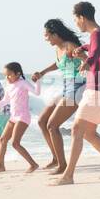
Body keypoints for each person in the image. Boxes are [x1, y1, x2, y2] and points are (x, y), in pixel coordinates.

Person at [51, 1, 100, 185]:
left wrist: (86, 61)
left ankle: (68, 176)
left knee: (77, 129)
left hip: (98, 86)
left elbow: (96, 51)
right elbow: (92, 47)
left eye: (76, 19)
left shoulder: (98, 34)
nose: (76, 23)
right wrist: (81, 49)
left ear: (82, 18)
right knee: (89, 133)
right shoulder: (99, 34)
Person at [32, 19, 86, 172]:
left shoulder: (70, 46)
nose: (46, 38)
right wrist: (42, 72)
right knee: (42, 121)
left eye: (47, 35)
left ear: (55, 34)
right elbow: (59, 63)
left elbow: (87, 59)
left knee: (52, 125)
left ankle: (62, 165)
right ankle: (56, 158)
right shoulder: (59, 48)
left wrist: (83, 60)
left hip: (77, 88)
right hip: (66, 88)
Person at [0, 62, 41, 174]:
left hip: (23, 117)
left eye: (10, 75)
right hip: (13, 117)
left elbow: (37, 92)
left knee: (15, 143)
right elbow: (5, 101)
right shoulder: (9, 86)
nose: (7, 77)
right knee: (2, 139)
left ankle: (33, 164)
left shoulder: (23, 83)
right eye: (5, 75)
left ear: (18, 74)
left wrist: (38, 81)